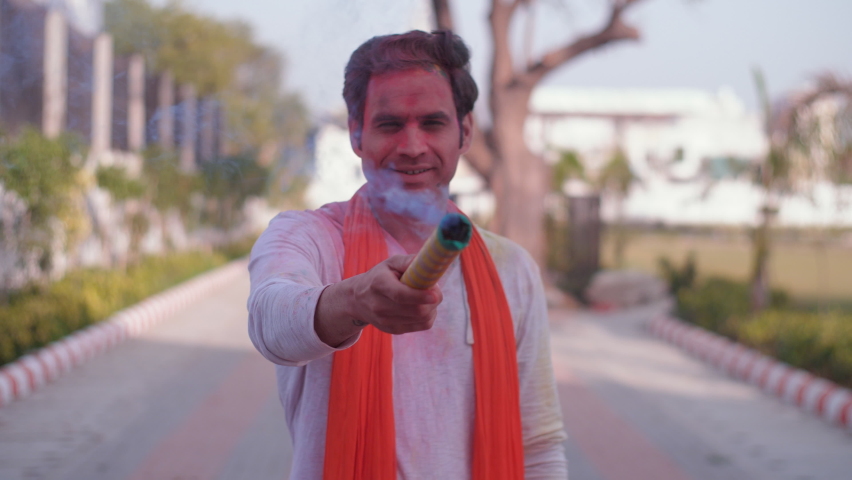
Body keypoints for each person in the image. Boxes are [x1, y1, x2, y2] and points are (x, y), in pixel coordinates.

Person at [247, 30, 568, 479]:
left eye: (432, 123)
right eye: (390, 125)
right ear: (357, 133)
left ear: (465, 132)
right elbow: (270, 324)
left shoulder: (511, 268)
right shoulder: (308, 237)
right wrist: (355, 301)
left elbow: (538, 444)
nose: (413, 147)